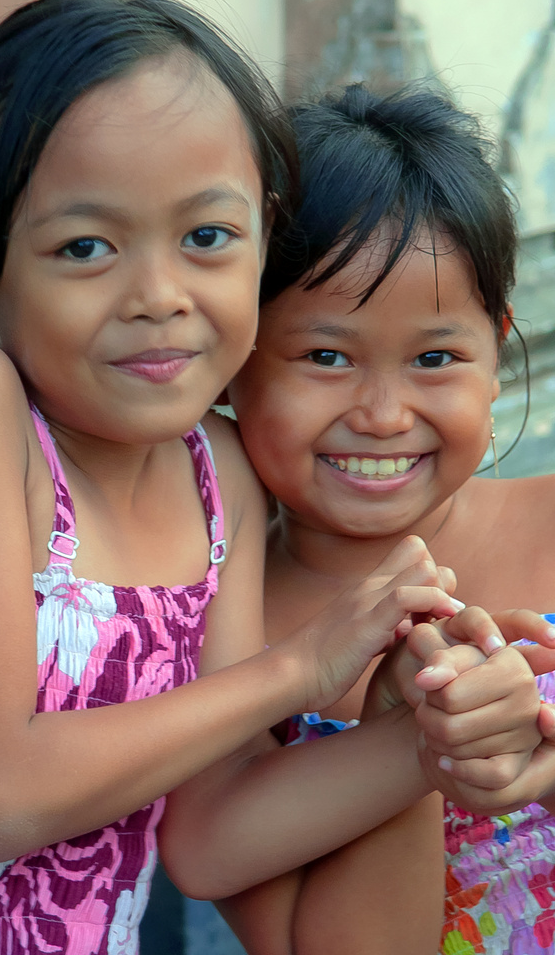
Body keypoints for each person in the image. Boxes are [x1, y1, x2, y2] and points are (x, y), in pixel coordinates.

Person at [0, 0, 485, 955]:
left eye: (207, 237)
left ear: (266, 232)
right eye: (86, 247)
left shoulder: (217, 473)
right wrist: (302, 668)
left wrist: (432, 729)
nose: (159, 297)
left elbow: (213, 815)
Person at [223, 82, 555, 954]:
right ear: (232, 360)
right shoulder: (219, 646)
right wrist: (406, 743)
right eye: (325, 355)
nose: (381, 413)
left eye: (437, 357)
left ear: (497, 355)